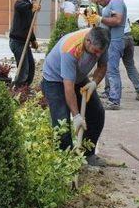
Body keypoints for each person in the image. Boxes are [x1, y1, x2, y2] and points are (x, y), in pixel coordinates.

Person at [40, 26, 110, 167]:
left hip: (78, 77)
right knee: (62, 122)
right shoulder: (71, 49)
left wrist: (94, 84)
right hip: (54, 80)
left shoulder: (102, 42)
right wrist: (77, 116)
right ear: (88, 41)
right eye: (95, 51)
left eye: (100, 52)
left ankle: (88, 155)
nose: (97, 55)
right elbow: (68, 87)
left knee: (97, 113)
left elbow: (102, 66)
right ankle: (65, 162)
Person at [93, 0, 127, 110]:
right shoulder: (112, 3)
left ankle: (114, 101)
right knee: (109, 70)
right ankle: (110, 94)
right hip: (110, 41)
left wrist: (100, 19)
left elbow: (117, 20)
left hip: (115, 41)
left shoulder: (117, 2)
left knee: (112, 71)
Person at [9, 0, 43, 87]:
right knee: (23, 69)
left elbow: (29, 25)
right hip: (17, 41)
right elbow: (20, 6)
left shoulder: (30, 6)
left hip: (25, 42)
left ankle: (25, 89)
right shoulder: (21, 2)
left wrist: (33, 40)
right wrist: (31, 6)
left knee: (31, 68)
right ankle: (17, 90)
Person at [122, 18, 139, 100]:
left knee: (111, 66)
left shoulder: (111, 8)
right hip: (129, 36)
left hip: (120, 38)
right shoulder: (122, 8)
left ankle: (108, 91)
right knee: (130, 66)